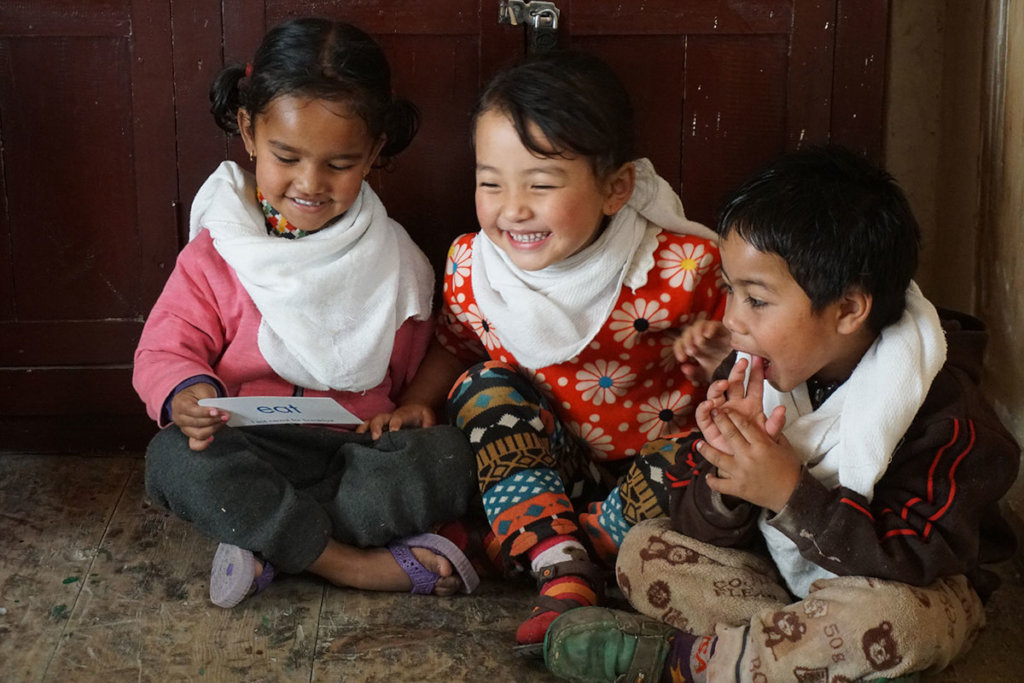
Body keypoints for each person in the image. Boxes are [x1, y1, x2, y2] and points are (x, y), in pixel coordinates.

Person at [542, 145, 1021, 682]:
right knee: (643, 552)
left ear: (847, 310)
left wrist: (790, 494)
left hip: (905, 588)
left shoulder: (946, 414)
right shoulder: (755, 374)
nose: (733, 321)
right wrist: (728, 482)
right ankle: (797, 656)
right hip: (784, 584)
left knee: (900, 622)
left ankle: (687, 663)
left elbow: (920, 559)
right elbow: (702, 531)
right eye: (730, 291)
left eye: (757, 300)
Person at [363, 50, 727, 646]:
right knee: (480, 388)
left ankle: (546, 547)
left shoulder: (680, 268)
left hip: (656, 481)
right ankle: (563, 569)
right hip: (548, 468)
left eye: (541, 184)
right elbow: (457, 347)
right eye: (490, 183)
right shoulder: (472, 267)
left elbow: (755, 375)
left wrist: (720, 354)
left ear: (616, 189)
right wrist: (420, 401)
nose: (513, 208)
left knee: (715, 447)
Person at [133, 17, 480, 609]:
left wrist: (413, 406)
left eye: (340, 164)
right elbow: (166, 348)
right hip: (250, 447)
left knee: (449, 458)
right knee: (172, 459)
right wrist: (186, 395)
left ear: (374, 152)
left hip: (357, 457)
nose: (310, 184)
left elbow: (431, 355)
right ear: (247, 131)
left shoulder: (396, 260)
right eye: (286, 156)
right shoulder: (221, 251)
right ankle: (351, 565)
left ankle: (268, 539)